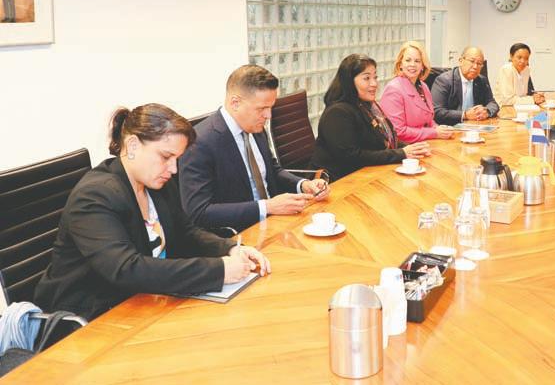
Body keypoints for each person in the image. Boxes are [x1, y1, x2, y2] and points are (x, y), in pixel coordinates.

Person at [34, 104, 271, 321]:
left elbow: (186, 233)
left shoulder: (157, 183)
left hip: (144, 303)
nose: (174, 169)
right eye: (166, 157)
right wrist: (219, 271)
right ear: (133, 145)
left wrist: (230, 248)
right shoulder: (94, 196)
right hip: (87, 320)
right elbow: (127, 269)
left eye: (177, 159)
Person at [179, 65, 329, 231]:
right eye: (262, 108)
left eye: (271, 107)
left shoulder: (255, 127)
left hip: (275, 222)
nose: (268, 116)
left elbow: (272, 170)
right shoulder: (199, 143)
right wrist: (267, 207)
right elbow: (199, 212)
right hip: (237, 234)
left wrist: (302, 184)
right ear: (235, 103)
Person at [311, 54, 431, 180]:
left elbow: (383, 140)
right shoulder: (337, 113)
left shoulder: (366, 105)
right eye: (367, 78)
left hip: (366, 174)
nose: (374, 84)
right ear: (349, 81)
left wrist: (410, 149)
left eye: (375, 77)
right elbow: (351, 157)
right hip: (336, 182)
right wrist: (401, 153)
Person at [380, 41, 454, 143]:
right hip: (406, 148)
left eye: (417, 61)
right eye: (408, 60)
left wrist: (439, 129)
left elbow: (428, 121)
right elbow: (398, 132)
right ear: (400, 64)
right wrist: (434, 133)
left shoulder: (423, 86)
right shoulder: (393, 89)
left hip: (425, 143)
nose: (412, 65)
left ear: (422, 65)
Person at [431, 46, 499, 125]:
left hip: (475, 126)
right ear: (461, 61)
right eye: (472, 61)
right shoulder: (444, 80)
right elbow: (436, 111)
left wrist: (487, 111)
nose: (475, 67)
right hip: (451, 126)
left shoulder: (482, 80)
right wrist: (465, 115)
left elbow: (492, 103)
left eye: (479, 63)